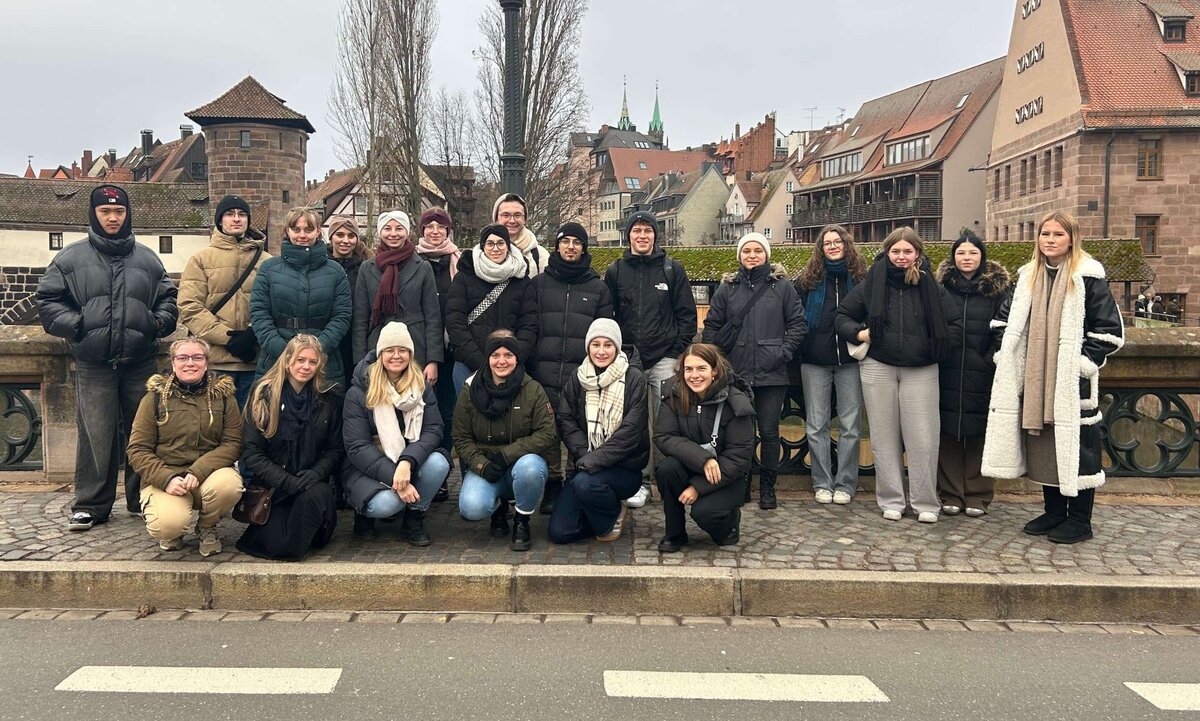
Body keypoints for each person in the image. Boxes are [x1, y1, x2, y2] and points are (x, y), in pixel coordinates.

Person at [35, 184, 179, 531]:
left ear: (128, 214)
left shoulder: (147, 258)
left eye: (119, 212)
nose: (113, 218)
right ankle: (91, 504)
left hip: (140, 362)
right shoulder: (71, 258)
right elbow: (48, 301)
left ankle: (141, 497)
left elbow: (169, 300)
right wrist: (79, 324)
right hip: (94, 363)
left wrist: (156, 322)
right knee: (95, 435)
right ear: (94, 214)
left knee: (143, 434)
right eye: (105, 212)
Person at [983, 211, 1124, 544]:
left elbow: (1109, 330)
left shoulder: (1088, 277)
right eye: (1045, 234)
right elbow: (1002, 322)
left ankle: (1080, 519)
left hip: (1070, 381)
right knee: (1045, 443)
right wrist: (1008, 354)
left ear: (1071, 238)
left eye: (1057, 234)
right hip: (1035, 377)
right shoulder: (1027, 276)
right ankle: (1055, 512)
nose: (1050, 240)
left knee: (1078, 448)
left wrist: (1080, 363)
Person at [836, 227, 961, 523]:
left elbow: (954, 323)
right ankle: (891, 498)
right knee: (883, 436)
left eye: (907, 251)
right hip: (879, 366)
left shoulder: (931, 285)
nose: (902, 257)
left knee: (923, 438)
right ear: (887, 252)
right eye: (896, 251)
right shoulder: (872, 283)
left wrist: (935, 348)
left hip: (922, 369)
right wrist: (860, 333)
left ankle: (925, 502)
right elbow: (842, 316)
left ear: (917, 252)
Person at [702, 232, 806, 509]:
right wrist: (720, 361)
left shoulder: (782, 288)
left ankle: (768, 488)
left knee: (770, 432)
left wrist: (783, 352)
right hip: (736, 373)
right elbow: (711, 327)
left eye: (757, 251)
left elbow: (797, 324)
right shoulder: (728, 289)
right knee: (740, 434)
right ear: (739, 256)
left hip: (772, 373)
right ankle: (742, 484)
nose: (752, 255)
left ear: (766, 255)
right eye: (746, 251)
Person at [604, 210, 698, 509]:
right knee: (633, 424)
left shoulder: (672, 269)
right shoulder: (616, 270)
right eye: (637, 230)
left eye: (647, 231)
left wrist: (676, 351)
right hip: (629, 359)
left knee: (668, 424)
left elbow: (687, 316)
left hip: (664, 359)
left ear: (655, 235)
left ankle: (667, 480)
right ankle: (640, 482)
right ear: (628, 235)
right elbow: (609, 316)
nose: (642, 236)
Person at [125, 338, 243, 556]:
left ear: (206, 363)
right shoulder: (154, 399)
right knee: (167, 525)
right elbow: (138, 449)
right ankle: (174, 530)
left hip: (207, 475)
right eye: (183, 358)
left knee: (230, 485)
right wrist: (165, 478)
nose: (190, 363)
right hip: (166, 476)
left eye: (197, 357)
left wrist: (198, 471)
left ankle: (207, 526)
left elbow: (233, 444)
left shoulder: (225, 398)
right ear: (173, 363)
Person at [529, 222, 614, 513]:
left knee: (578, 429)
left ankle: (573, 479)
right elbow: (530, 327)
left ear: (584, 248)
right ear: (557, 246)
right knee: (549, 431)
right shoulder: (538, 284)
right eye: (565, 241)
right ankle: (552, 484)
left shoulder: (597, 287)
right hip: (544, 371)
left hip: (582, 374)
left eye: (577, 242)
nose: (571, 247)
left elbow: (605, 331)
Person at [236, 335, 344, 560]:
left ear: (319, 365)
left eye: (312, 362)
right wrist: (286, 481)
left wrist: (316, 473)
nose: (306, 367)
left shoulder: (328, 399)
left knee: (298, 537)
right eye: (300, 360)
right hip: (275, 487)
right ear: (287, 361)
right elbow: (252, 452)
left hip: (311, 484)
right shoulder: (263, 395)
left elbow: (335, 449)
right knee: (277, 546)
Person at [342, 322, 451, 544]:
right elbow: (358, 447)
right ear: (380, 353)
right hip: (367, 468)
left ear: (410, 354)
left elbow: (433, 429)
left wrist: (407, 462)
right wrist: (395, 476)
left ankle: (414, 516)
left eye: (402, 350)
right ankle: (364, 514)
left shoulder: (421, 386)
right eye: (389, 350)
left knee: (439, 462)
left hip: (408, 460)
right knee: (388, 505)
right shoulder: (359, 391)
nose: (396, 356)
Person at [453, 330, 557, 551]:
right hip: (486, 465)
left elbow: (547, 433)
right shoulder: (469, 389)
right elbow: (460, 437)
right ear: (488, 358)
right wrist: (481, 464)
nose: (502, 361)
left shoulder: (532, 389)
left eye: (508, 355)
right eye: (495, 355)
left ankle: (522, 520)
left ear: (517, 358)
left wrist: (506, 455)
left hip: (520, 463)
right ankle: (498, 508)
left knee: (531, 469)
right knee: (472, 508)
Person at [548, 319, 648, 543]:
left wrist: (592, 461)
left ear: (617, 347)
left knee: (585, 484)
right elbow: (565, 418)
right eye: (596, 345)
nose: (601, 351)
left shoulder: (634, 379)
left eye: (608, 345)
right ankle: (598, 516)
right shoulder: (578, 377)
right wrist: (584, 454)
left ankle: (612, 512)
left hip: (624, 469)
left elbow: (631, 431)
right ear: (587, 347)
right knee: (560, 532)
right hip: (586, 463)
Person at [936, 235, 1011, 518]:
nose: (966, 258)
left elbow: (1006, 327)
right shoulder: (942, 288)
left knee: (980, 431)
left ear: (982, 257)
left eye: (972, 253)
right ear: (953, 257)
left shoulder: (998, 291)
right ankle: (951, 492)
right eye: (961, 253)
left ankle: (978, 494)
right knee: (948, 431)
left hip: (984, 370)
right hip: (948, 367)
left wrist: (991, 356)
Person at [654, 343, 754, 551]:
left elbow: (739, 458)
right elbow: (664, 436)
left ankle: (729, 523)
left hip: (727, 478)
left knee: (704, 514)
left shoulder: (736, 403)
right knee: (667, 469)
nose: (694, 375)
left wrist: (697, 488)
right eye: (688, 369)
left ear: (714, 370)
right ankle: (675, 534)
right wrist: (703, 458)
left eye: (701, 368)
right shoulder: (673, 394)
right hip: (691, 466)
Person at [794, 224, 868, 506]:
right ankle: (822, 482)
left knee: (850, 425)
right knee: (816, 425)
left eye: (838, 242)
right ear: (821, 248)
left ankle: (846, 483)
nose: (833, 246)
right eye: (828, 243)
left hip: (850, 360)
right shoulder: (807, 281)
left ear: (847, 245)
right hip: (815, 360)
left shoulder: (861, 279)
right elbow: (795, 317)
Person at [178, 195, 270, 410]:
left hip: (254, 360)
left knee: (252, 426)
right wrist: (228, 338)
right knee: (214, 426)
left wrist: (253, 333)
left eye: (242, 214)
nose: (236, 219)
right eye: (230, 214)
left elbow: (273, 305)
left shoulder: (266, 261)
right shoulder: (201, 259)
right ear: (220, 221)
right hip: (215, 361)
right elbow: (190, 307)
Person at [250, 207, 353, 383]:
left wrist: (317, 350)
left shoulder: (334, 271)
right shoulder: (269, 269)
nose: (302, 235)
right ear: (287, 231)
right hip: (277, 358)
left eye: (309, 229)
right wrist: (285, 352)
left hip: (324, 359)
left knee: (323, 409)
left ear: (318, 232)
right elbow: (259, 314)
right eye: (296, 229)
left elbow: (342, 316)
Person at [444, 224, 538, 392]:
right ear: (482, 246)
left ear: (508, 247)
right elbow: (455, 322)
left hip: (509, 364)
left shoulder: (521, 281)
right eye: (490, 243)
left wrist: (512, 358)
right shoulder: (464, 277)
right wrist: (480, 361)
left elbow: (529, 324)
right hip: (468, 364)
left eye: (501, 243)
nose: (495, 248)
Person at [352, 210, 442, 384]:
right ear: (380, 232)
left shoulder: (422, 267)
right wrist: (360, 361)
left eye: (399, 228)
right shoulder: (367, 268)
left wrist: (433, 361)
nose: (393, 234)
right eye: (387, 228)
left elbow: (433, 317)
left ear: (406, 232)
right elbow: (360, 318)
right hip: (377, 344)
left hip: (415, 345)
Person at [415, 207, 462, 466]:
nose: (434, 231)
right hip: (419, 347)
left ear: (447, 230)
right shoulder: (412, 260)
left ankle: (443, 465)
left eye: (440, 226)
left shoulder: (459, 261)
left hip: (451, 347)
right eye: (429, 226)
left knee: (447, 409)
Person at [326, 215, 370, 388]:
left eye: (351, 236)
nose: (345, 240)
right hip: (330, 337)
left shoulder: (365, 267)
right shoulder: (320, 265)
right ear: (331, 237)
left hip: (357, 338)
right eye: (340, 235)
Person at [493, 192, 549, 276]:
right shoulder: (483, 252)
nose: (512, 221)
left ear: (525, 219)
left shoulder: (540, 255)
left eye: (517, 215)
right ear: (496, 218)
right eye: (506, 215)